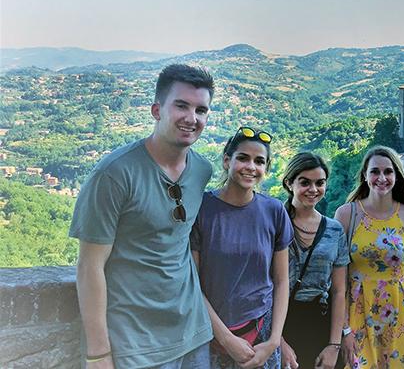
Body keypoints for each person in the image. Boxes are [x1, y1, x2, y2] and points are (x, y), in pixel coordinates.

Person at [72, 64, 216, 368]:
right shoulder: (114, 174)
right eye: (181, 105)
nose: (192, 118)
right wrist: (98, 354)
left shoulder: (202, 170)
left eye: (201, 110)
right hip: (135, 346)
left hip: (193, 335)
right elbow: (89, 266)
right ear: (156, 110)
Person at [190, 127, 291, 368]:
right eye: (243, 158)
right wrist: (226, 339)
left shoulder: (274, 211)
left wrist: (274, 341)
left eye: (259, 161)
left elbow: (281, 281)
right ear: (227, 161)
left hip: (262, 335)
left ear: (266, 168)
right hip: (211, 336)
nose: (251, 167)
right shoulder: (202, 209)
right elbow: (192, 283)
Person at [334, 146, 404, 368]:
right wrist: (343, 327)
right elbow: (338, 279)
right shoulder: (346, 214)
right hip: (357, 312)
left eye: (388, 171)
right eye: (375, 171)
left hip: (400, 312)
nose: (382, 178)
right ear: (365, 176)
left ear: (397, 176)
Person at [280, 153, 349, 369]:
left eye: (319, 183)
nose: (313, 189)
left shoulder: (334, 230)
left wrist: (334, 345)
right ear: (289, 183)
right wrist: (278, 343)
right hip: (280, 321)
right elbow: (263, 286)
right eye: (305, 182)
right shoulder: (274, 223)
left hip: (319, 321)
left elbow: (339, 291)